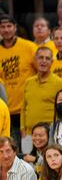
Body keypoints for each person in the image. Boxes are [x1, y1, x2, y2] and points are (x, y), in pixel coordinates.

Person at [21, 47, 62, 153]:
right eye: (41, 57)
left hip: (50, 134)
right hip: (28, 135)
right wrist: (22, 129)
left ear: (52, 62)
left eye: (47, 58)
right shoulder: (28, 82)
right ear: (35, 60)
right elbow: (23, 107)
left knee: (48, 165)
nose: (44, 61)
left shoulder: (59, 83)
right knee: (29, 166)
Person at [0, 15, 37, 145]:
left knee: (28, 149)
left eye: (9, 26)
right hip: (5, 110)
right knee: (9, 148)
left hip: (27, 111)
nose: (6, 30)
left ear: (15, 28)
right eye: (2, 27)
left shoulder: (29, 47)